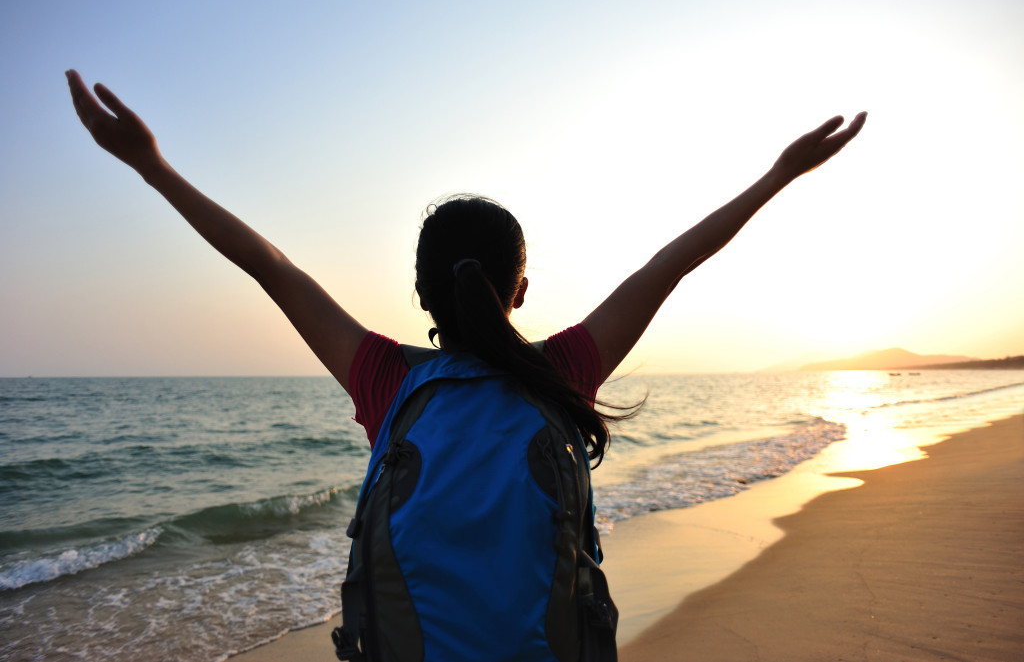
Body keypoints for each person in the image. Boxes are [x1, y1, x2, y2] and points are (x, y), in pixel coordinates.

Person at [66, 68, 865, 655]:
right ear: (520, 289)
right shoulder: (566, 372)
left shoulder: (386, 381)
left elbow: (269, 266)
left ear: (421, 291)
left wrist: (152, 166)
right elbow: (672, 262)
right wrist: (778, 175)